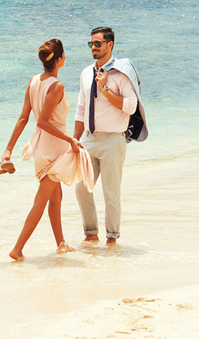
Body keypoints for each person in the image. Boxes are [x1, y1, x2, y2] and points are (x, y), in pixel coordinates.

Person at [0, 39, 95, 261]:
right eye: (64, 54)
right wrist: (70, 140)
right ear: (59, 59)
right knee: (40, 202)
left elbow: (24, 118)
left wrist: (8, 149)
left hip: (42, 146)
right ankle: (17, 249)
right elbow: (43, 121)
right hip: (54, 149)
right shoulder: (56, 86)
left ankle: (61, 244)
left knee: (55, 197)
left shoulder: (33, 82)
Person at [73, 26, 138, 245]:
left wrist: (105, 89)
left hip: (113, 139)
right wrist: (75, 140)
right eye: (91, 43)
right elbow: (81, 109)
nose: (94, 47)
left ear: (110, 45)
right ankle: (91, 234)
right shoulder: (85, 73)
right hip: (89, 139)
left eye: (98, 43)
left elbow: (131, 106)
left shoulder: (121, 73)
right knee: (81, 188)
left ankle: (112, 239)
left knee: (111, 192)